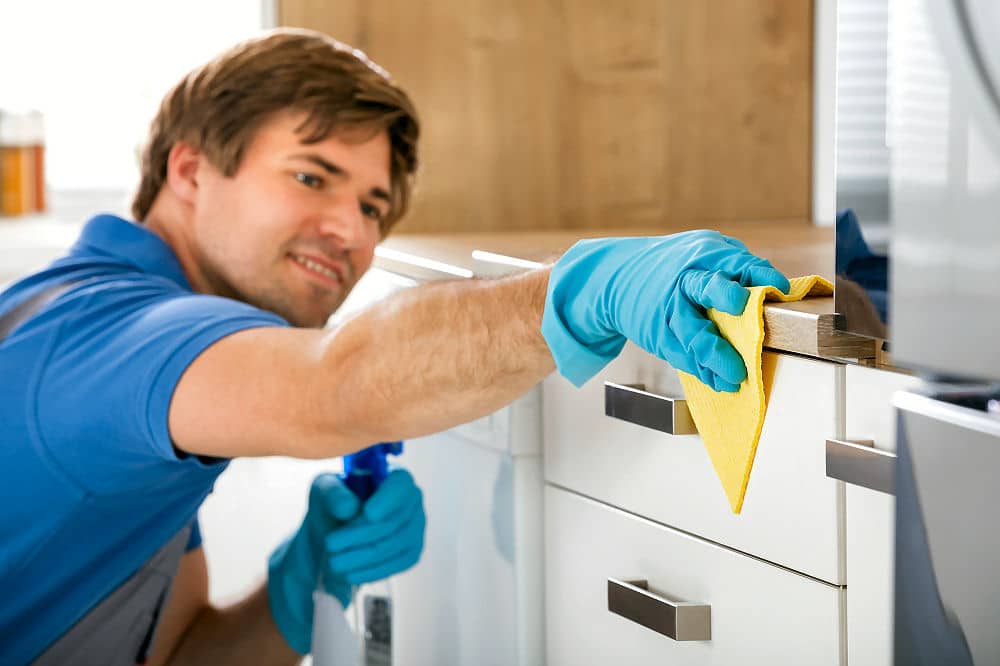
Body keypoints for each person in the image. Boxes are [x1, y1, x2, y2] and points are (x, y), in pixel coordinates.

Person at [0, 28, 790, 665]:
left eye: (374, 205)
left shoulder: (87, 328)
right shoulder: (110, 340)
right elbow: (336, 388)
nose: (353, 231)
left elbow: (179, 657)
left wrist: (296, 587)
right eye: (312, 178)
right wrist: (575, 293)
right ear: (190, 171)